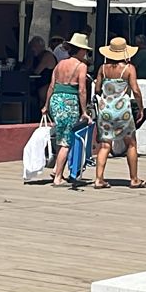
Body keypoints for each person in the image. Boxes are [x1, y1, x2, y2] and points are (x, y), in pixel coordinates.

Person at [91, 37, 146, 189]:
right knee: (131, 143)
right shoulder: (128, 69)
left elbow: (97, 89)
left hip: (105, 110)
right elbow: (135, 90)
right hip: (122, 110)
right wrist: (141, 108)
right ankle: (134, 179)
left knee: (104, 145)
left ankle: (98, 179)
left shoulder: (103, 68)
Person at [44, 33, 92, 189]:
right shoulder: (81, 66)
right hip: (69, 101)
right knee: (66, 142)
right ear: (80, 50)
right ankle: (57, 177)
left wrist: (46, 105)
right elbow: (82, 90)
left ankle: (57, 170)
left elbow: (51, 86)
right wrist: (84, 111)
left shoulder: (60, 64)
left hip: (55, 100)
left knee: (60, 136)